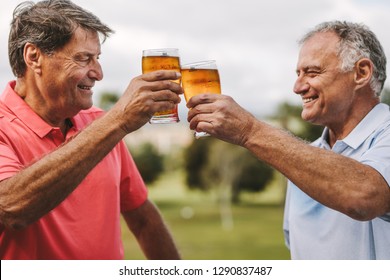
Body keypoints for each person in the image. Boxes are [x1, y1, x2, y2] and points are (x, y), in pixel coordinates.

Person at [187, 21, 390, 259]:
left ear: (361, 73)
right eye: (298, 74)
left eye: (312, 72)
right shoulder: (305, 158)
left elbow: (365, 196)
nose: (297, 87)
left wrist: (249, 130)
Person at [0, 0, 182, 260]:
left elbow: (142, 218)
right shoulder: (109, 126)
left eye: (97, 58)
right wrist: (118, 121)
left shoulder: (101, 124)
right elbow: (11, 207)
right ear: (34, 57)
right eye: (84, 58)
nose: (98, 73)